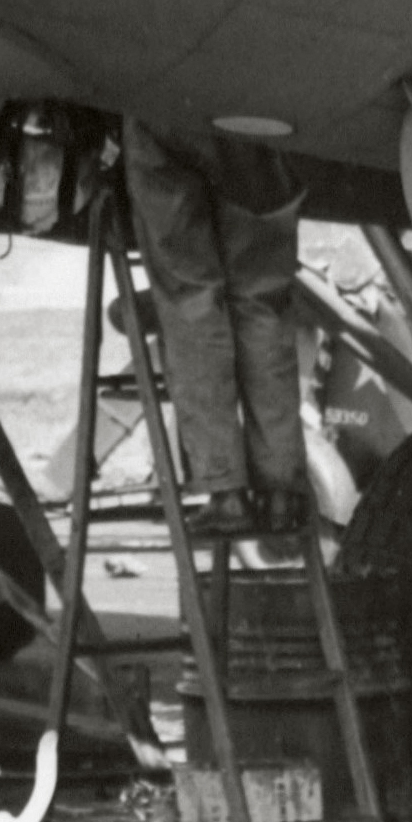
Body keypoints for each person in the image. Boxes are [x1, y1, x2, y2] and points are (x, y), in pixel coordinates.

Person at [122, 119, 309, 535]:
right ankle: (281, 494)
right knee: (262, 302)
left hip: (162, 110)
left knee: (191, 301)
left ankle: (226, 493)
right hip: (256, 114)